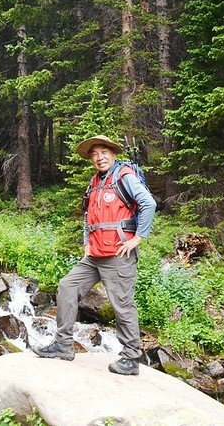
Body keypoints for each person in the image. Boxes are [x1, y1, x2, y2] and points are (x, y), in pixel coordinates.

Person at [32, 135, 156, 375]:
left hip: (118, 253)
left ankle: (131, 357)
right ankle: (63, 344)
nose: (99, 158)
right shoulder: (95, 182)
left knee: (122, 305)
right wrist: (87, 243)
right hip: (95, 254)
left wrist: (138, 238)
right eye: (94, 154)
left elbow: (148, 203)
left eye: (103, 152)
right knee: (68, 286)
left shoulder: (124, 176)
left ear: (113, 153)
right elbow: (89, 216)